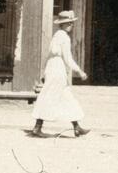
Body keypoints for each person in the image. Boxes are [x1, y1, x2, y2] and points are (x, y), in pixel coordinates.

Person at [30, 10, 90, 138]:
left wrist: (45, 71)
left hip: (52, 69)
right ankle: (37, 127)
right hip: (58, 70)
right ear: (63, 24)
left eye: (71, 23)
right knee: (49, 97)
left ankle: (76, 127)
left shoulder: (56, 35)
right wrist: (79, 71)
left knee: (66, 97)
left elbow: (49, 55)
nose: (71, 25)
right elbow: (68, 58)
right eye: (68, 23)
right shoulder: (64, 37)